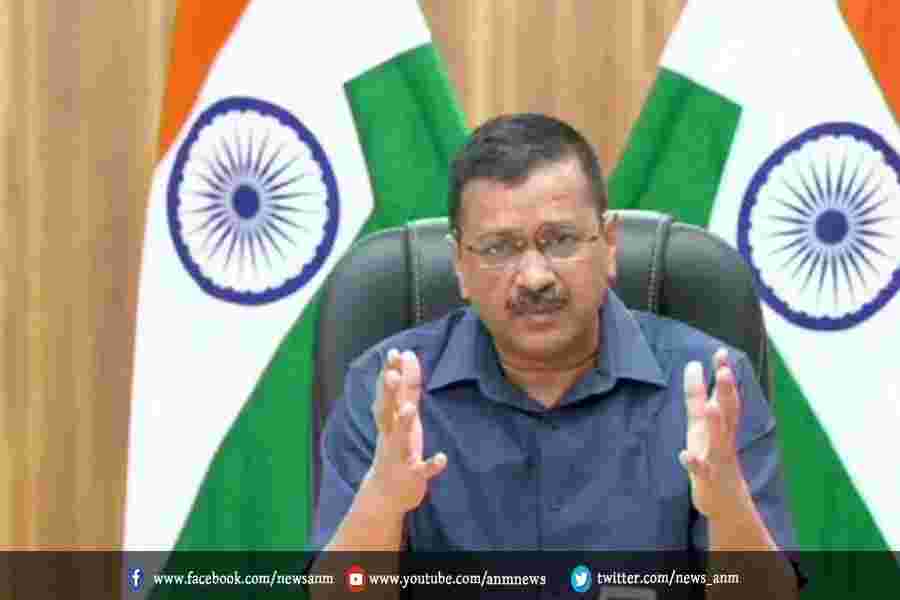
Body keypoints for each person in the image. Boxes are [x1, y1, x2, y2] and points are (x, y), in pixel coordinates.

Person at [311, 113, 801, 597]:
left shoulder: (711, 389)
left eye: (560, 241)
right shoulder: (388, 392)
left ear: (609, 244)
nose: (534, 277)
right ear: (460, 263)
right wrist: (383, 500)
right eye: (498, 248)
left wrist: (728, 506)